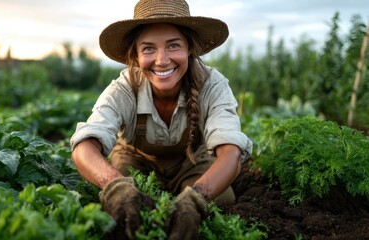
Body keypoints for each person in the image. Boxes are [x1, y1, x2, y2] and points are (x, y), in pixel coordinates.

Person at [70, 0, 252, 239]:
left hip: (192, 163)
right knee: (120, 196)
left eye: (173, 45)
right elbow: (84, 147)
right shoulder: (125, 88)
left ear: (189, 48)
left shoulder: (212, 85)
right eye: (148, 48)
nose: (162, 59)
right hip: (135, 164)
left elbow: (231, 152)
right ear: (135, 54)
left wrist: (196, 198)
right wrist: (116, 185)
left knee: (222, 197)